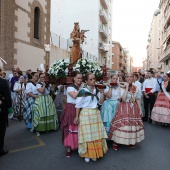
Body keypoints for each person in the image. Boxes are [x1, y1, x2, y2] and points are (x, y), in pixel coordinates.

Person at [74, 72, 108, 162]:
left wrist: (102, 93)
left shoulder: (97, 90)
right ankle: (87, 154)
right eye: (91, 79)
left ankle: (95, 153)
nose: (93, 81)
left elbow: (100, 102)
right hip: (85, 114)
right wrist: (76, 117)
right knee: (87, 135)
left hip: (95, 113)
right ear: (86, 81)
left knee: (95, 135)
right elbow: (78, 104)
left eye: (94, 79)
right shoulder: (83, 91)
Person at [109, 73, 144, 150]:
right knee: (121, 124)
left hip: (133, 107)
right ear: (125, 78)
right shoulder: (121, 87)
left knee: (132, 125)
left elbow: (138, 99)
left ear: (134, 78)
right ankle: (116, 142)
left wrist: (140, 109)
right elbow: (123, 99)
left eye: (131, 77)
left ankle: (131, 141)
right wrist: (127, 86)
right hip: (124, 106)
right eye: (127, 77)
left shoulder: (136, 87)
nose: (129, 78)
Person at [60, 71, 82, 158]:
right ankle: (69, 148)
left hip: (79, 108)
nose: (80, 80)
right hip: (71, 108)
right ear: (74, 78)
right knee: (70, 127)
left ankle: (78, 146)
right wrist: (81, 89)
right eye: (78, 78)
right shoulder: (70, 87)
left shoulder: (81, 87)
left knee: (78, 127)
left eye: (81, 78)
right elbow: (74, 96)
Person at [0, 71, 12, 157]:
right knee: (1, 129)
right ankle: (0, 149)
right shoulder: (4, 82)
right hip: (2, 109)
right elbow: (8, 97)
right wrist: (8, 106)